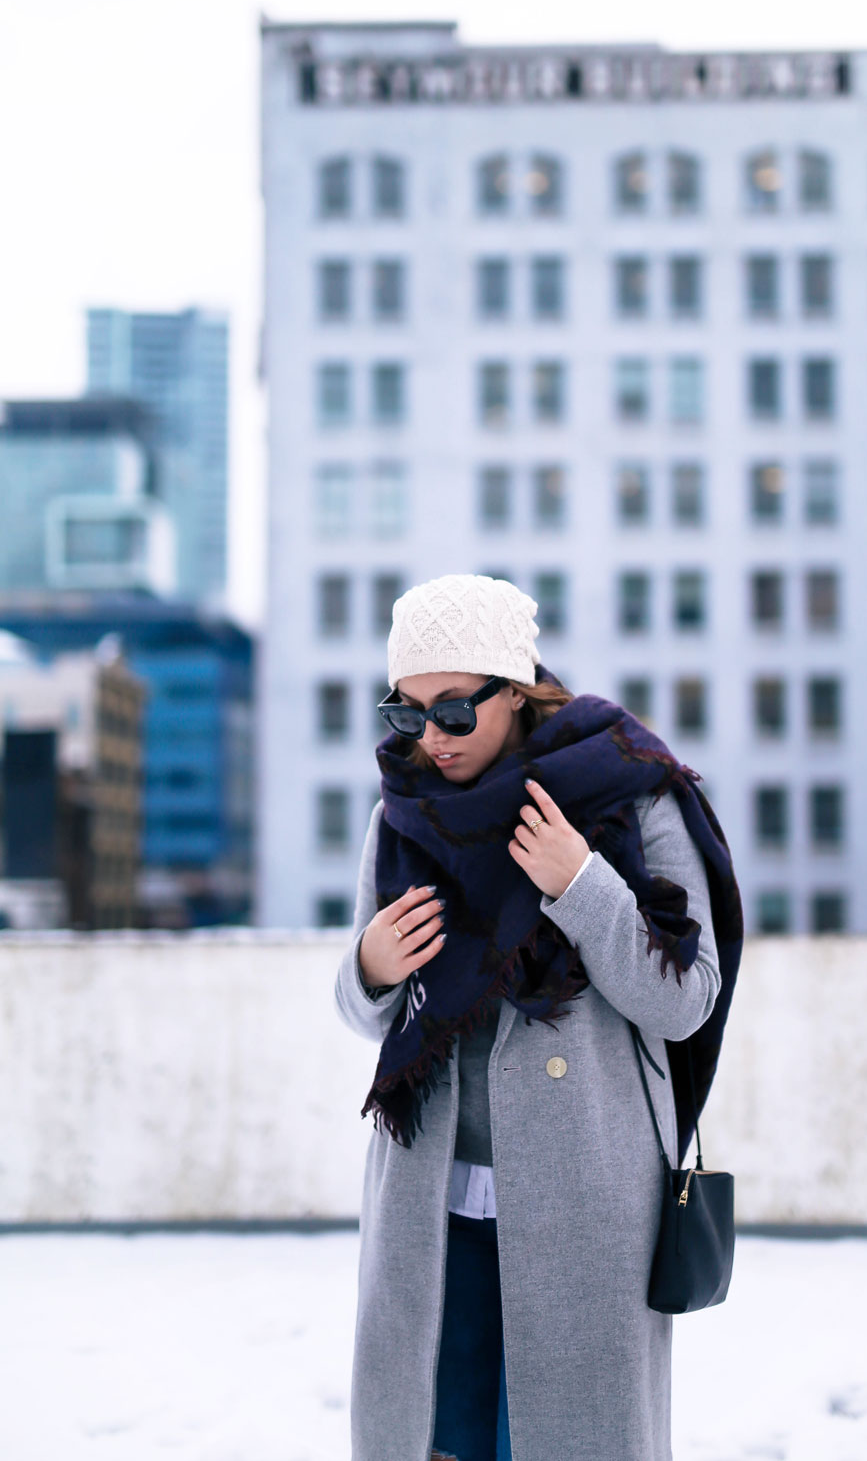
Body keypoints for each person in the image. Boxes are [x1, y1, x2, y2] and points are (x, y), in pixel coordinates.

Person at [334, 573, 742, 1461]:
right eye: (406, 714)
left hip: (584, 1197)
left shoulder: (632, 796)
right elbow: (372, 1020)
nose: (429, 739)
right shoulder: (402, 820)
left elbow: (684, 1001)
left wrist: (582, 885)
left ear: (515, 691)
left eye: (453, 710)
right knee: (438, 1437)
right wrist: (369, 968)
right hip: (431, 1202)